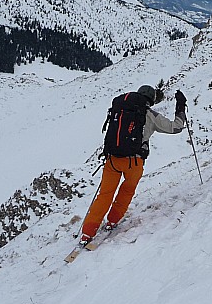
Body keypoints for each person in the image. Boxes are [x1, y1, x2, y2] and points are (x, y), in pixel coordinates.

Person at [80, 85, 187, 245]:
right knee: (127, 190)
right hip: (134, 162)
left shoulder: (120, 109)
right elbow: (175, 128)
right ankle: (112, 221)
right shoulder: (150, 115)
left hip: (112, 159)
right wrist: (180, 108)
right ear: (151, 100)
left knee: (105, 195)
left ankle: (87, 233)